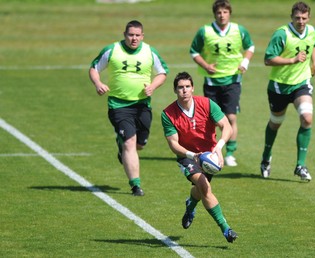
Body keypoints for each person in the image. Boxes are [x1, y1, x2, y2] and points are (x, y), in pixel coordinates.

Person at [89, 20, 169, 196]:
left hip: (142, 106)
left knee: (139, 145)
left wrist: (153, 86)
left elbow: (162, 73)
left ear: (142, 36)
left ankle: (121, 145)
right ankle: (136, 185)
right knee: (130, 143)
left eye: (137, 35)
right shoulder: (112, 50)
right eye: (130, 35)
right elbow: (94, 68)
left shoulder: (150, 51)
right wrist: (98, 83)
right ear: (125, 35)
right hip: (119, 105)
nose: (134, 38)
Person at [161, 72, 238, 243]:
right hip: (186, 156)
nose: (184, 91)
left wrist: (218, 148)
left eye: (187, 87)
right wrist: (191, 155)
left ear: (193, 88)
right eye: (180, 87)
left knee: (201, 188)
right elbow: (173, 144)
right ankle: (226, 229)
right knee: (204, 185)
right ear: (175, 90)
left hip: (209, 155)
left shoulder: (207, 104)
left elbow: (226, 126)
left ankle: (191, 206)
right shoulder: (168, 114)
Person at [190, 0, 255, 167]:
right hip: (212, 82)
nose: (222, 15)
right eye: (219, 12)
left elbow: (250, 47)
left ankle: (230, 152)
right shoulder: (205, 31)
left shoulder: (239, 30)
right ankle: (211, 150)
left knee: (231, 116)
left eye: (225, 12)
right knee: (211, 119)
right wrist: (206, 66)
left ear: (229, 13)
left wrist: (245, 62)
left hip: (233, 79)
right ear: (215, 14)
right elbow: (194, 51)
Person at [260, 1, 315, 181]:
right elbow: (268, 59)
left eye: (304, 18)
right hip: (279, 86)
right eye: (297, 18)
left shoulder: (312, 31)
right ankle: (266, 158)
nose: (301, 21)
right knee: (276, 122)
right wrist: (292, 61)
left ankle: (300, 165)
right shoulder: (282, 34)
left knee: (307, 118)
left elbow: (313, 44)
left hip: (301, 83)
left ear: (308, 18)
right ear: (291, 17)